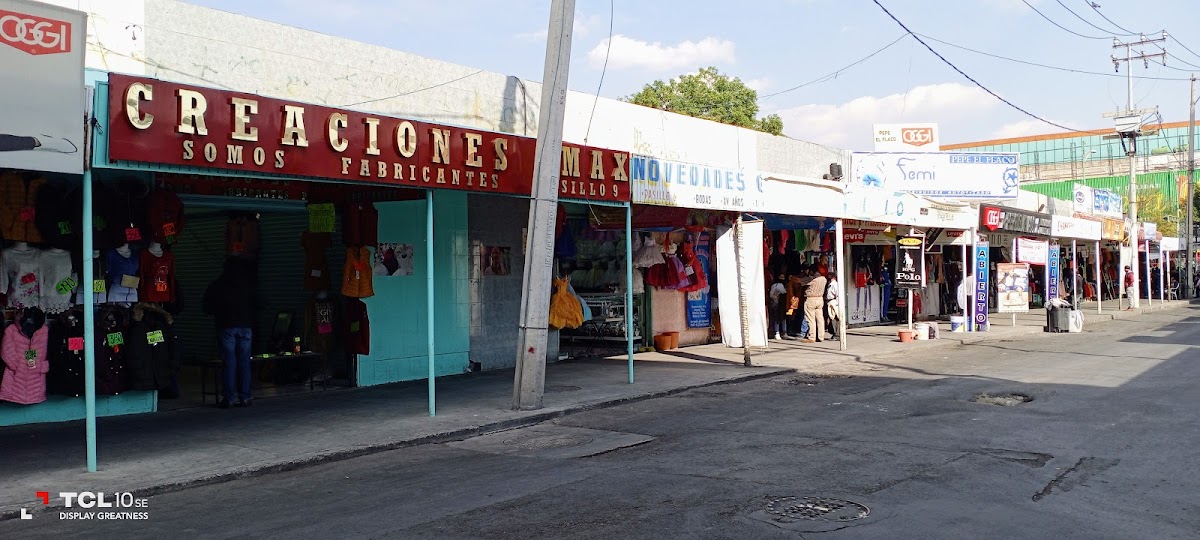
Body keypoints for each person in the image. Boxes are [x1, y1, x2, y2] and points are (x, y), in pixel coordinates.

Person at [203, 257, 258, 408]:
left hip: (226, 326)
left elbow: (207, 307)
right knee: (244, 362)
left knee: (229, 362)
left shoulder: (218, 285)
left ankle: (229, 398)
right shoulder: (249, 284)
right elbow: (261, 303)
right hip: (245, 326)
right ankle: (245, 397)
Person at [801, 265, 828, 343]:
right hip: (820, 299)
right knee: (820, 319)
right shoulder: (824, 279)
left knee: (810, 319)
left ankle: (812, 337)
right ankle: (821, 336)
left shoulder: (812, 279)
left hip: (811, 299)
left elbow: (801, 282)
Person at [768, 275, 790, 340]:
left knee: (776, 318)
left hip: (774, 303)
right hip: (781, 304)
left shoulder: (773, 285)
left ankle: (777, 332)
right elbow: (784, 292)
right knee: (782, 318)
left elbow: (770, 295)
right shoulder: (781, 285)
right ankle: (782, 332)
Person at [825, 273, 841, 340]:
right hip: (830, 302)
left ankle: (837, 334)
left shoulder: (835, 285)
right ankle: (834, 333)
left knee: (835, 318)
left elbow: (838, 294)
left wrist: (837, 303)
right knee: (832, 318)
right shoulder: (830, 284)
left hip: (833, 302)